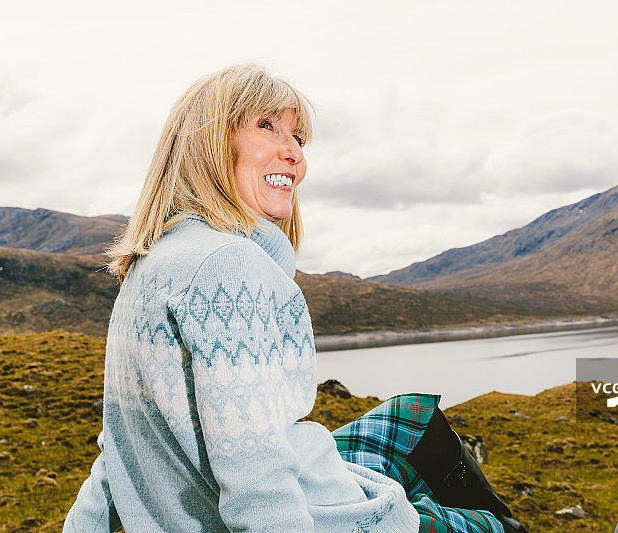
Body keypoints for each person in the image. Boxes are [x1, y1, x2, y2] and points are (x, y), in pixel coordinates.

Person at [62, 63, 529, 533]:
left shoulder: (151, 262)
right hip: (319, 519)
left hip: (272, 489)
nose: (294, 154)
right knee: (496, 529)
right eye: (267, 125)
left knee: (411, 412)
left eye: (299, 138)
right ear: (206, 142)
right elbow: (255, 476)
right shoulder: (228, 267)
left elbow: (120, 446)